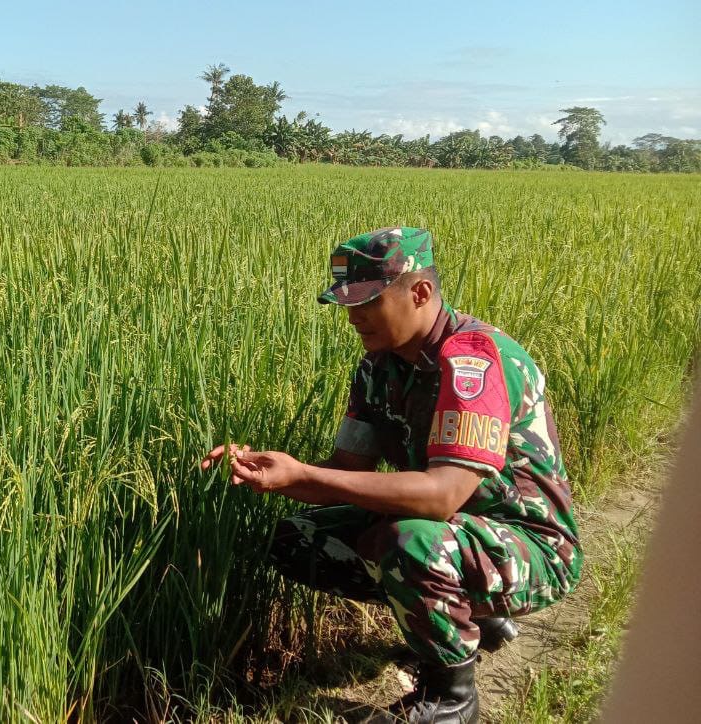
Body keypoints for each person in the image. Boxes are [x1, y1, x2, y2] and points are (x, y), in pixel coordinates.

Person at [201, 227, 581, 723]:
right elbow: (345, 472)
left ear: (420, 293)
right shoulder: (377, 369)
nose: (354, 316)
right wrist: (276, 472)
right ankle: (461, 620)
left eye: (369, 301)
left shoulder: (474, 360)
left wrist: (304, 475)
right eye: (347, 304)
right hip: (451, 535)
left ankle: (451, 697)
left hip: (529, 544)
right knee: (297, 539)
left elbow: (443, 495)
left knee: (409, 542)